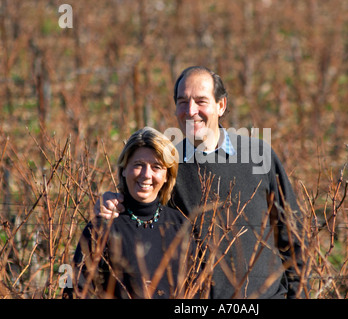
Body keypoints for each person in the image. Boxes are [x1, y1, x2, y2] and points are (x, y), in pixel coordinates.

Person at [96, 66, 307, 299]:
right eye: (182, 101)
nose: (191, 111)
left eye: (201, 101)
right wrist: (113, 202)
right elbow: (140, 212)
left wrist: (298, 294)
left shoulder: (259, 156)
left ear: (221, 105)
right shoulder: (167, 166)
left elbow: (293, 234)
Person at [73, 127, 195, 299]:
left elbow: (197, 290)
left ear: (167, 175)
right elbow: (76, 290)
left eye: (156, 167)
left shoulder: (180, 225)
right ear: (124, 168)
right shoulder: (102, 227)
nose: (146, 175)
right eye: (138, 165)